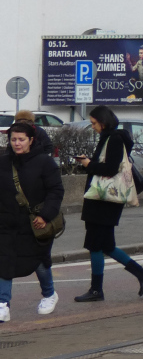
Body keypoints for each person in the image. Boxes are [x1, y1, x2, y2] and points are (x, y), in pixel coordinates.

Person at [73, 106, 143, 302]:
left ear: (103, 121)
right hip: (103, 199)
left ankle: (96, 290)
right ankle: (141, 273)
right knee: (106, 245)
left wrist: (88, 164)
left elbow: (110, 168)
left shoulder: (114, 139)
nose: (93, 127)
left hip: (104, 199)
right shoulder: (111, 137)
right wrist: (89, 163)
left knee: (95, 244)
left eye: (94, 123)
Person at [0, 122, 64, 322]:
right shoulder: (3, 162)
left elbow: (56, 190)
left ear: (31, 140)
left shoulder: (44, 162)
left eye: (21, 139)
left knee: (39, 261)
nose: (17, 143)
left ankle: (49, 294)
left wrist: (45, 215)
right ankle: (3, 304)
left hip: (35, 223)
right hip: (7, 222)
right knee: (4, 260)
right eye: (13, 139)